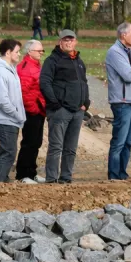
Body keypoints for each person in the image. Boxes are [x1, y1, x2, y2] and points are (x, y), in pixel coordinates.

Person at [40, 30, 88, 184]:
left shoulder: (79, 61)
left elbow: (84, 83)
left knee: (71, 148)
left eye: (71, 40)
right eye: (65, 40)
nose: (68, 43)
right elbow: (44, 83)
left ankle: (66, 177)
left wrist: (86, 103)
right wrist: (55, 104)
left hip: (77, 111)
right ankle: (51, 179)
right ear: (60, 42)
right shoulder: (52, 60)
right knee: (56, 147)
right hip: (60, 111)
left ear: (75, 42)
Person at [105, 21, 131, 181]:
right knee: (119, 141)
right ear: (124, 35)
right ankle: (114, 176)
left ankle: (122, 174)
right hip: (121, 102)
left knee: (128, 141)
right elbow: (129, 76)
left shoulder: (128, 52)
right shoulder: (115, 52)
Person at [0, 38, 26, 183]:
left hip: (11, 119)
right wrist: (17, 114)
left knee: (9, 152)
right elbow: (2, 100)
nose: (19, 54)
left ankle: (2, 180)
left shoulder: (10, 70)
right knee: (8, 153)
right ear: (8, 52)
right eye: (17, 51)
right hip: (4, 119)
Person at [15, 39, 46, 182]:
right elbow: (24, 92)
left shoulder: (36, 65)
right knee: (29, 142)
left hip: (39, 109)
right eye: (38, 50)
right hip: (32, 111)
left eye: (42, 50)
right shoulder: (26, 67)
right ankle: (23, 174)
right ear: (29, 51)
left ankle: (31, 171)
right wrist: (34, 109)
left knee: (36, 142)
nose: (41, 53)